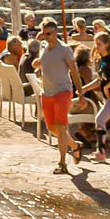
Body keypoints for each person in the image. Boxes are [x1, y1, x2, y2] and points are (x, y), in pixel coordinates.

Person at [34, 20, 78, 174]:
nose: (46, 37)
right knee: (52, 128)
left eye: (48, 34)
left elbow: (74, 71)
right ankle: (75, 145)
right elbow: (44, 63)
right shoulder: (43, 46)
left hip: (63, 90)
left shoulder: (64, 49)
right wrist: (38, 64)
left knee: (61, 126)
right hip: (47, 91)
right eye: (44, 34)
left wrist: (81, 93)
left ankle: (62, 163)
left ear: (56, 32)